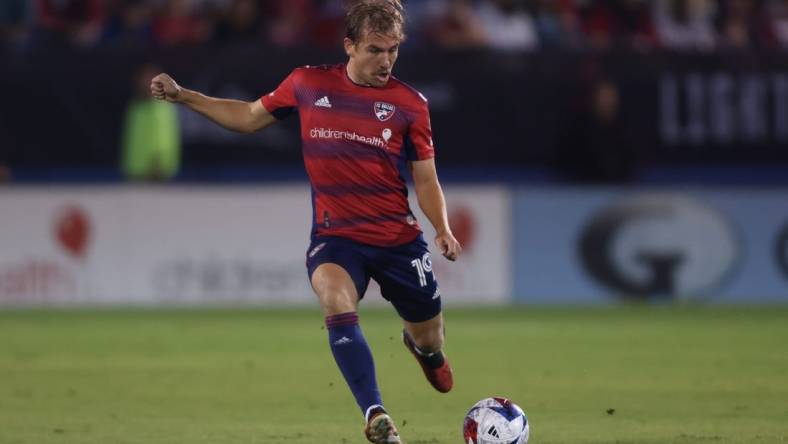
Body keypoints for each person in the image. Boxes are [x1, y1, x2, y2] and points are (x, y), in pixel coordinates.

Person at [149, 1, 462, 443]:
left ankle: (424, 351)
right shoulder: (308, 83)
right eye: (376, 49)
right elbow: (247, 117)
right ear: (349, 45)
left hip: (397, 240)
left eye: (394, 50)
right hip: (336, 239)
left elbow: (426, 180)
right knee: (335, 299)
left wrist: (442, 228)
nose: (386, 60)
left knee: (432, 337)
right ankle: (375, 413)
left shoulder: (410, 105)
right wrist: (184, 96)